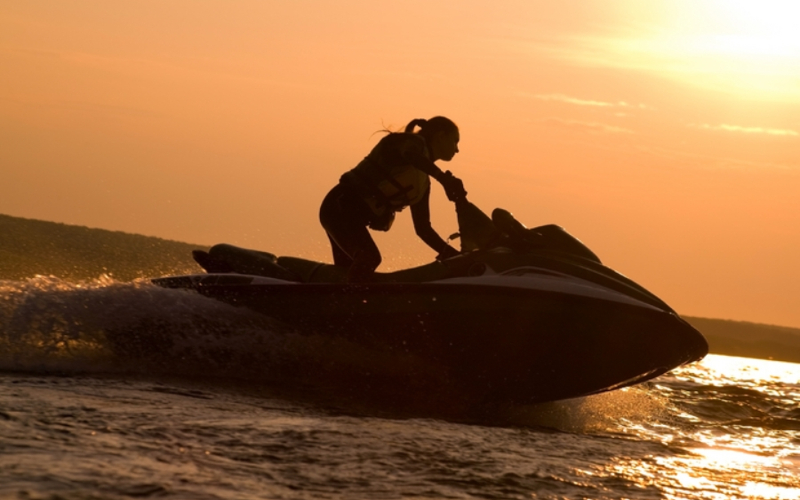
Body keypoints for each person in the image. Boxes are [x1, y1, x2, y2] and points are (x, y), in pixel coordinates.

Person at [319, 116, 468, 282]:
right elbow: (410, 154)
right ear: (441, 136)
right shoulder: (410, 142)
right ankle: (349, 302)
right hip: (339, 206)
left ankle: (336, 299)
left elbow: (423, 229)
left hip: (347, 216)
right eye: (455, 141)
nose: (457, 150)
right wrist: (443, 179)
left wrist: (455, 256)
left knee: (349, 270)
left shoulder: (423, 184)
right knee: (369, 258)